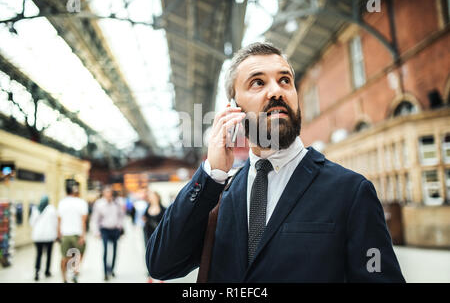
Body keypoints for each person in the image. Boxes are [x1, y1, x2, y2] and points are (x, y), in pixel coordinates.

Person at [146, 42, 405, 282]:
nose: (276, 91)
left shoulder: (350, 191)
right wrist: (211, 175)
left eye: (285, 80)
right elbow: (162, 264)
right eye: (258, 83)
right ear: (233, 108)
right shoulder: (220, 195)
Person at [91, 185, 125, 281]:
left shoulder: (117, 203)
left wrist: (119, 226)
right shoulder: (99, 204)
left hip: (115, 229)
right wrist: (96, 231)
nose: (108, 194)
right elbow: (95, 219)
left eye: (110, 192)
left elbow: (121, 216)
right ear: (103, 194)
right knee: (105, 250)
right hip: (104, 229)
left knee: (115, 250)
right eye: (106, 192)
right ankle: (105, 272)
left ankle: (112, 269)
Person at [57, 179, 88, 283]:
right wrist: (83, 236)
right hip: (77, 234)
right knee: (79, 254)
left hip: (65, 234)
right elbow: (83, 221)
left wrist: (59, 234)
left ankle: (64, 277)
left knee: (64, 257)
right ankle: (75, 272)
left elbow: (59, 220)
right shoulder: (81, 203)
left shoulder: (62, 203)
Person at [29, 195, 57, 281]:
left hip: (38, 236)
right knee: (48, 254)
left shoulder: (35, 209)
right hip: (49, 236)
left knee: (38, 255)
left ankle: (37, 272)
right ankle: (47, 271)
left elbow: (31, 223)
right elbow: (55, 222)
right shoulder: (51, 209)